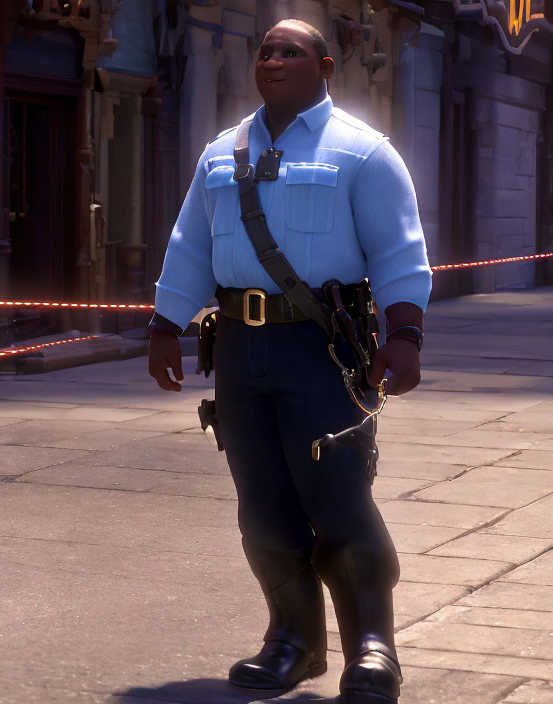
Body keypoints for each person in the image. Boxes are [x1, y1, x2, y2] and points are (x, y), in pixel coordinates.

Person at [147, 19, 431, 704]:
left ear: (324, 66)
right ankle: (293, 643)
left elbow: (398, 249)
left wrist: (406, 334)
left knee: (338, 497)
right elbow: (191, 242)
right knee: (264, 506)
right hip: (241, 350)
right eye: (266, 51)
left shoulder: (363, 153)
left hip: (323, 349)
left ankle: (372, 646)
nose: (272, 59)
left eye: (290, 52)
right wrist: (164, 323)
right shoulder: (222, 153)